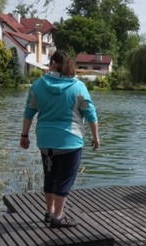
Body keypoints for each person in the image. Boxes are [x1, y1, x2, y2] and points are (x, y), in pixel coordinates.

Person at [20, 51, 100, 228]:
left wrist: (24, 135)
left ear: (52, 63)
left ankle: (49, 212)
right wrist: (95, 137)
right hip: (70, 141)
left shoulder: (37, 85)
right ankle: (58, 217)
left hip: (45, 141)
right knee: (64, 179)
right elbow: (90, 114)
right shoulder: (78, 87)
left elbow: (29, 112)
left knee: (49, 176)